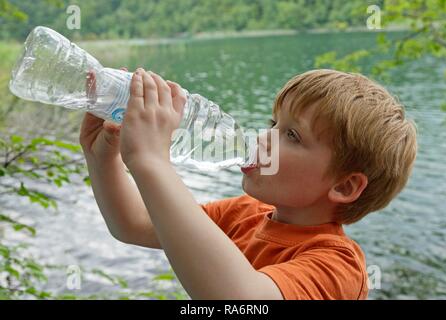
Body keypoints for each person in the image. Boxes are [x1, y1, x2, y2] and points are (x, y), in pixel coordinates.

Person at [79, 68, 417, 299]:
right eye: (273, 123)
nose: (265, 138)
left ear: (344, 187)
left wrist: (151, 161)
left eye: (293, 135)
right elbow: (134, 225)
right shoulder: (243, 213)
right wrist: (102, 158)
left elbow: (240, 298)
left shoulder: (337, 265)